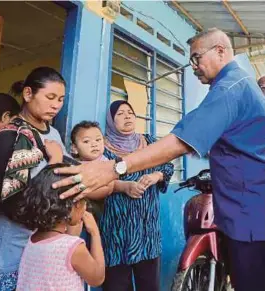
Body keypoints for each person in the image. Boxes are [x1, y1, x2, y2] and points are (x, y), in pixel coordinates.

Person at [54, 28, 265, 291]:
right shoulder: (235, 85)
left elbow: (179, 143)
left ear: (220, 51)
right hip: (242, 212)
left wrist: (116, 168)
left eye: (197, 57)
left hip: (251, 217)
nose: (195, 67)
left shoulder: (230, 88)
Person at [0, 67, 74, 290]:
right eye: (50, 97)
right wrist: (55, 163)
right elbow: (10, 202)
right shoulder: (12, 137)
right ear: (28, 94)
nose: (56, 105)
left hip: (42, 251)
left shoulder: (52, 134)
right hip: (12, 251)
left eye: (61, 100)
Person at [71, 105, 173, 291]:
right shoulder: (102, 149)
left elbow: (168, 166)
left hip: (147, 232)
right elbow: (95, 180)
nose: (127, 117)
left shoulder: (150, 142)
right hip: (115, 233)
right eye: (120, 114)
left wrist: (156, 176)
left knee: (150, 286)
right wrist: (123, 187)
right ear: (111, 120)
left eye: (131, 113)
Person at [14, 164, 105, 290]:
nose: (85, 207)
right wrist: (95, 233)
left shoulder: (32, 240)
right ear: (72, 205)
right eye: (84, 201)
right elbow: (97, 278)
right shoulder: (74, 247)